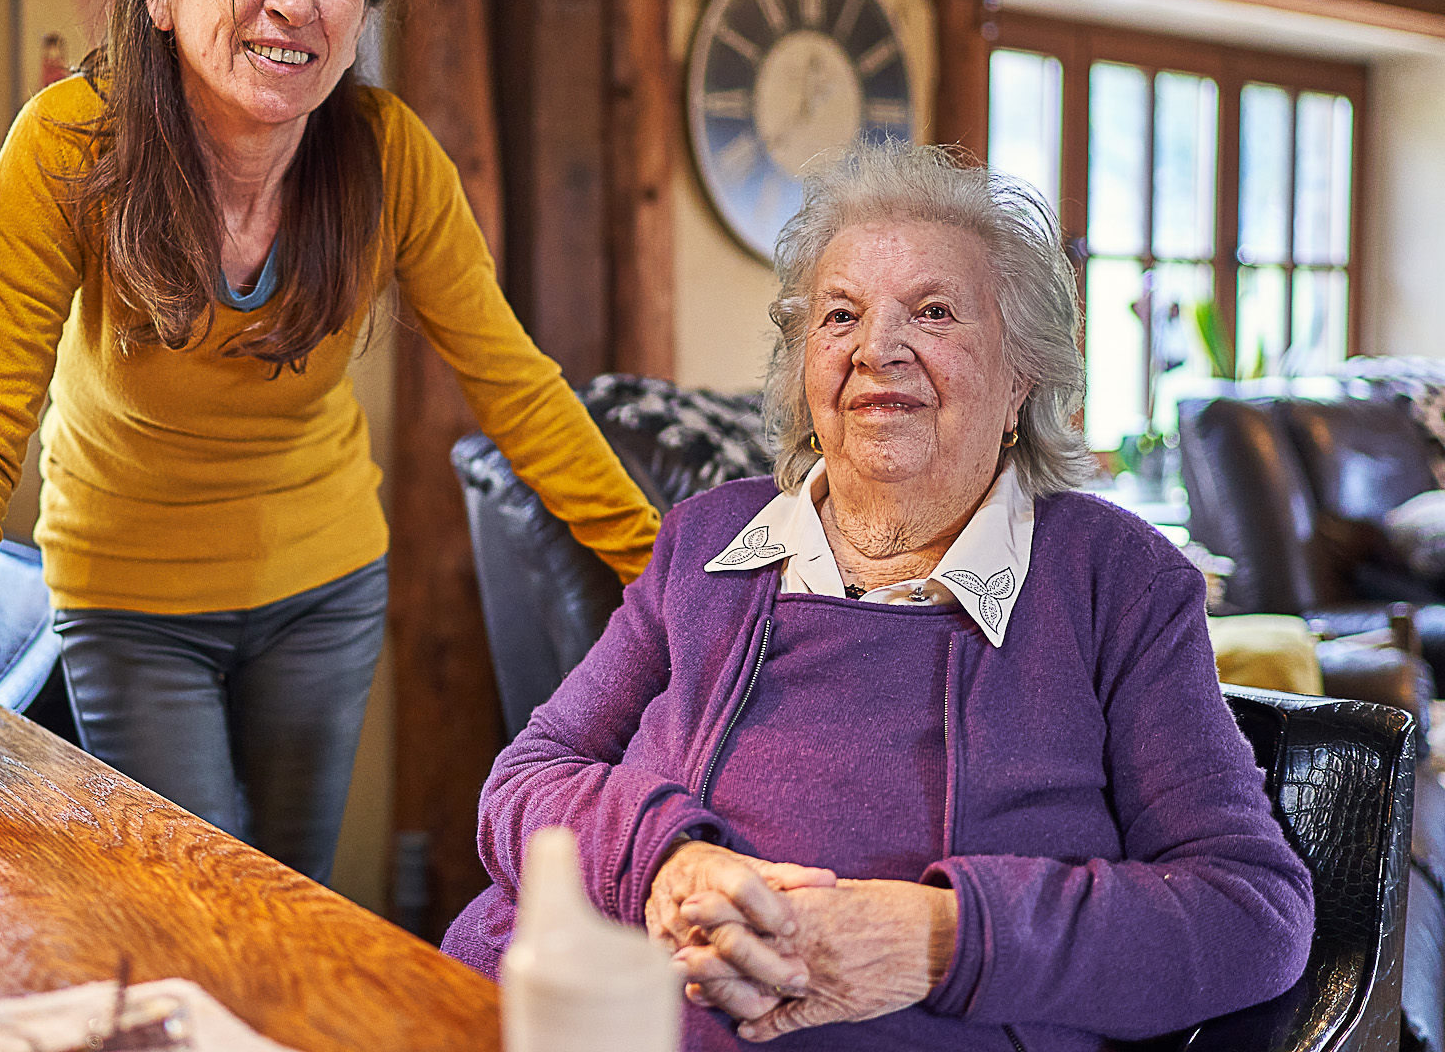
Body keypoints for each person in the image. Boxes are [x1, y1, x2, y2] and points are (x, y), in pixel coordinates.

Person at [0, 0, 658, 882]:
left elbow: (521, 389)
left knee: (292, 896)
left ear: (358, 18)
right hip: (128, 594)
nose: (295, 0)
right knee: (195, 889)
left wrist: (665, 575)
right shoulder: (68, 148)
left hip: (326, 585)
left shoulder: (390, 157)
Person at [441, 143, 1313, 1049]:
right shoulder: (706, 541)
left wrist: (939, 941)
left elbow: (1249, 911)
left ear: (1023, 378)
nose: (876, 349)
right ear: (804, 365)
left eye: (933, 312)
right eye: (840, 314)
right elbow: (527, 779)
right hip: (540, 1008)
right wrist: (664, 863)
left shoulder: (1115, 582)